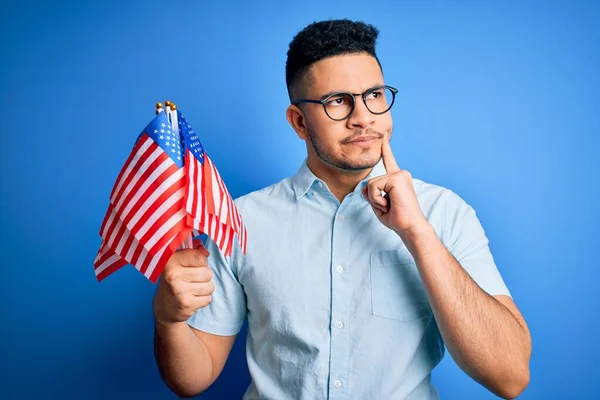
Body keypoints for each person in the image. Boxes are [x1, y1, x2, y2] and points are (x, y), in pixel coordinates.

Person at [152, 19, 531, 399]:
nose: (363, 116)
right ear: (299, 122)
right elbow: (191, 379)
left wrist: (418, 233)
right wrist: (168, 320)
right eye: (338, 101)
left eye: (375, 95)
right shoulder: (239, 221)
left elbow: (510, 377)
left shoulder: (445, 213)